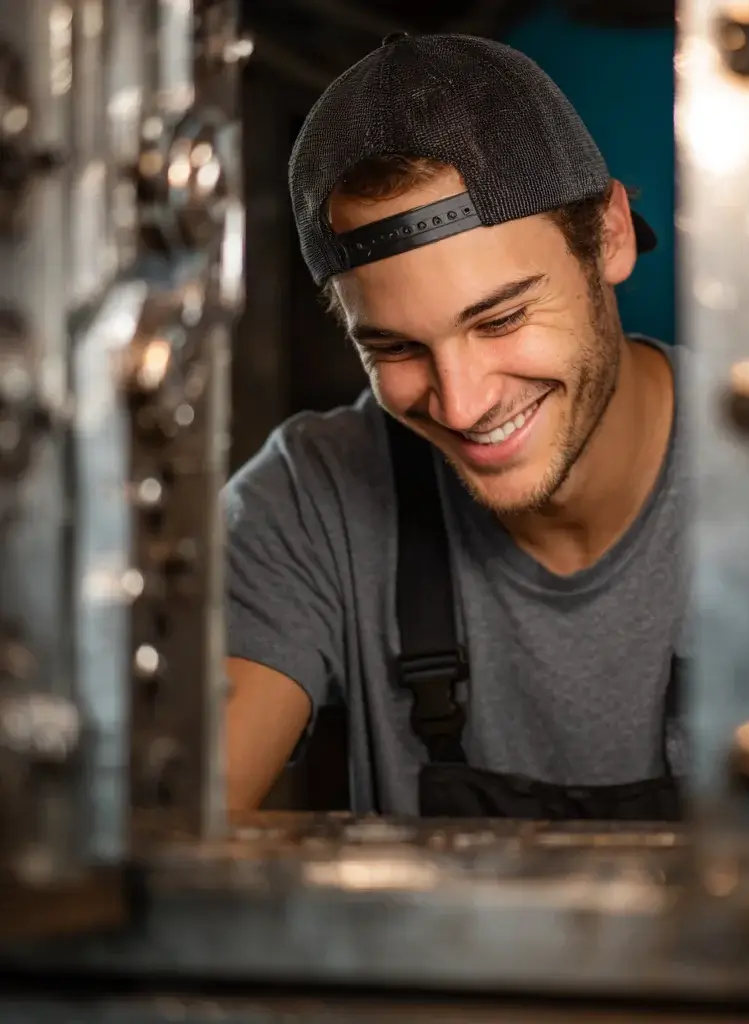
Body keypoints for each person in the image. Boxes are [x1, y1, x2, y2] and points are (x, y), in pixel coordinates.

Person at [222, 31, 686, 819]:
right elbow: (144, 843)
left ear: (607, 235)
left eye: (501, 318)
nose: (462, 404)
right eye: (398, 347)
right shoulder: (311, 502)